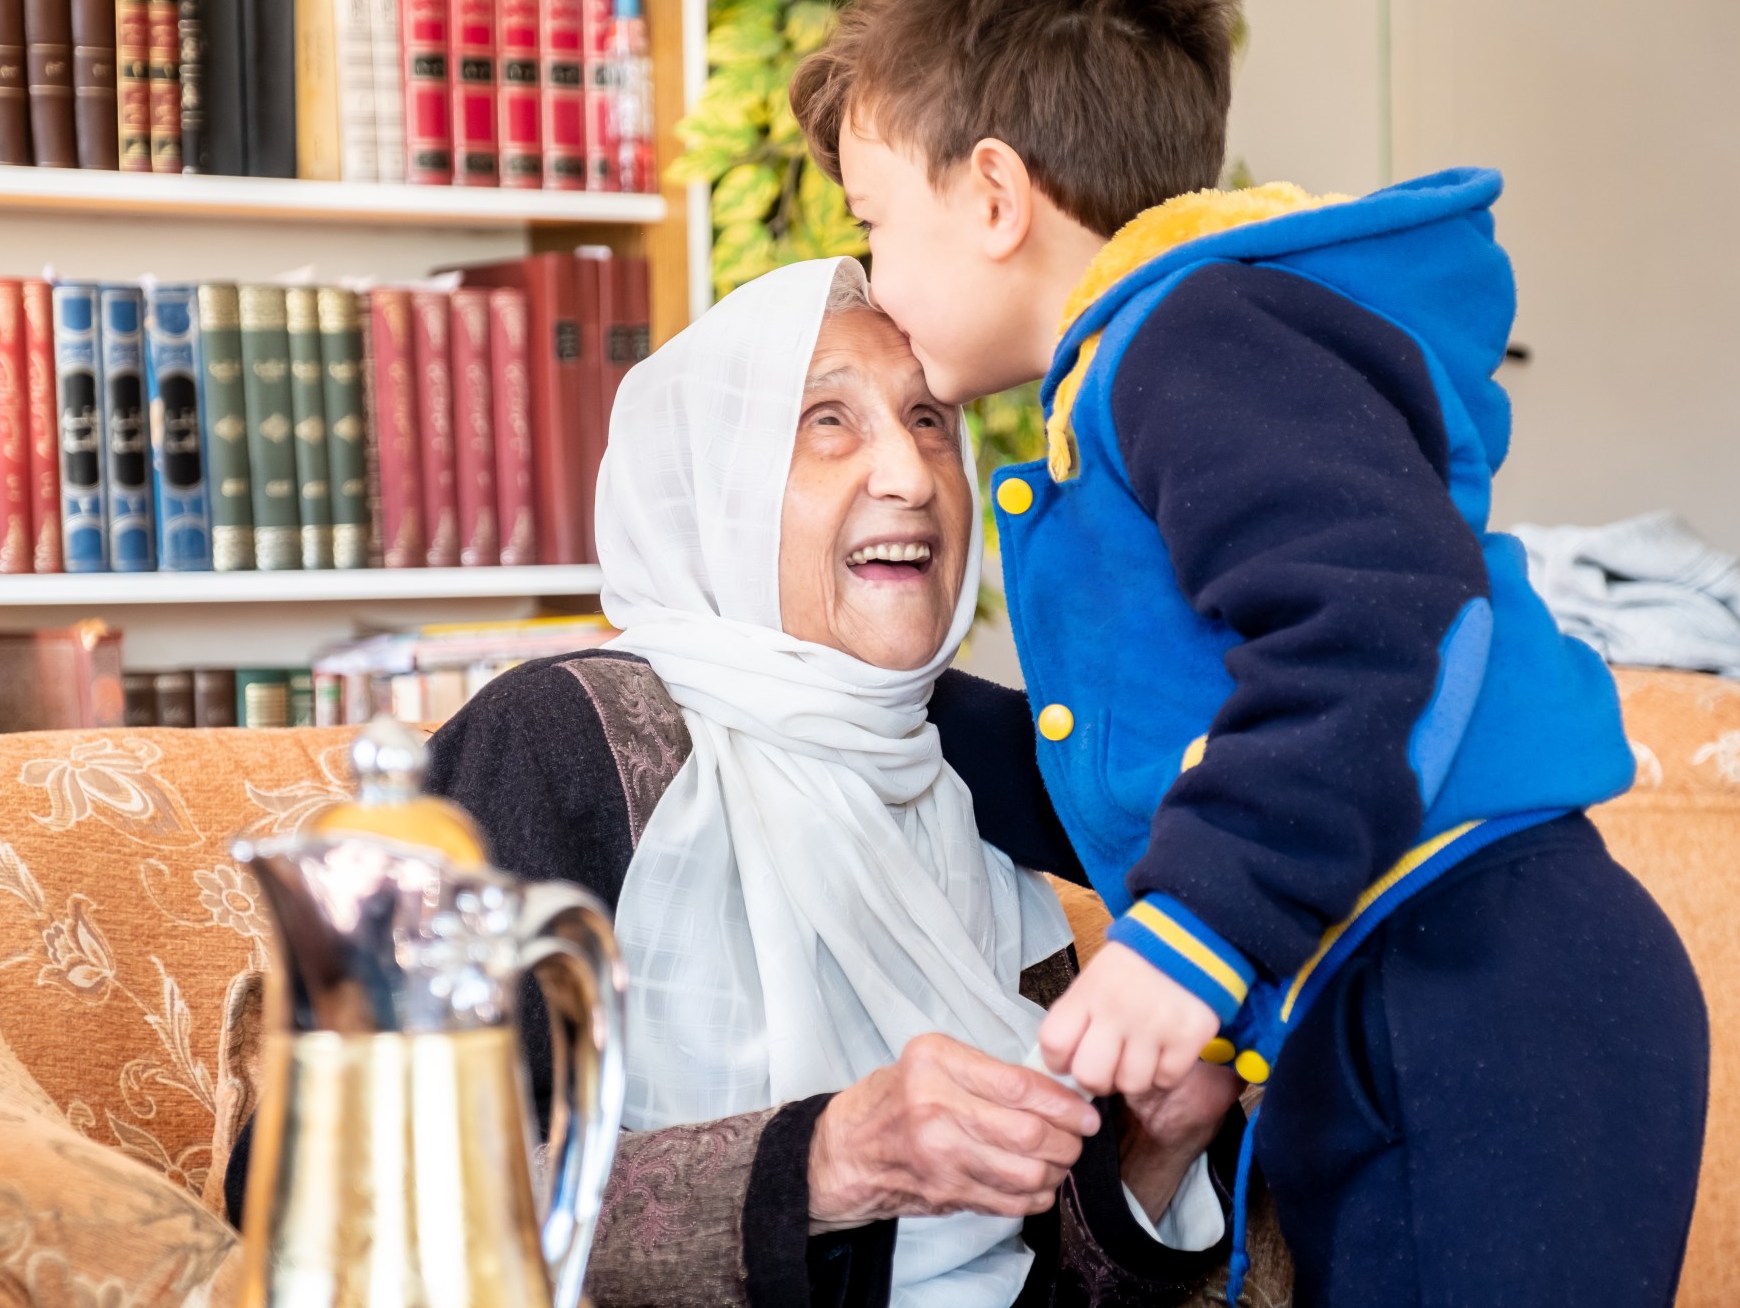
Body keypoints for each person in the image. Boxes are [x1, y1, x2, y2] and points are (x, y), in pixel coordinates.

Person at [789, 0, 1709, 1307]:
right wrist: (861, 704)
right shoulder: (1154, 361)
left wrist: (1191, 936)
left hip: (1487, 989)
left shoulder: (1192, 340)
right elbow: (1156, 757)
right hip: (1418, 988)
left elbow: (1379, 626)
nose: (878, 280)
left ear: (993, 197)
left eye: (877, 224)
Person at [224, 257, 1292, 1307]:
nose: (911, 476)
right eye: (827, 420)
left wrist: (1156, 1150)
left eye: (930, 420)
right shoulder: (566, 735)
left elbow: (1043, 1267)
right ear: (715, 488)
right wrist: (825, 1160)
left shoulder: (970, 762)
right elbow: (327, 1189)